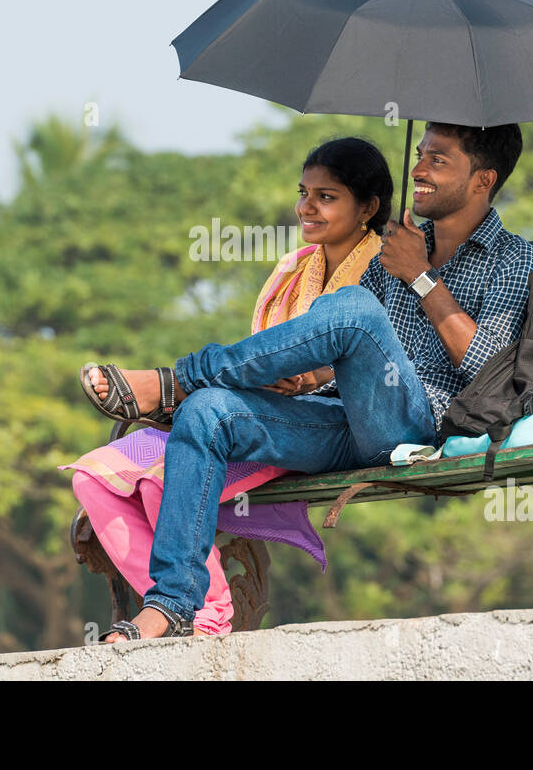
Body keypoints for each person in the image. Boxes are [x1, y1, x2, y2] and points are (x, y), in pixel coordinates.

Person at [82, 121, 533, 642]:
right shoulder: (401, 247)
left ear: (483, 180)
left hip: (424, 429)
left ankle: (179, 380)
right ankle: (173, 603)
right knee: (208, 411)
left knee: (348, 307)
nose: (418, 169)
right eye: (420, 155)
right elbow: (358, 351)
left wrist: (421, 278)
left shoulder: (513, 258)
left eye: (438, 161)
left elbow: (490, 371)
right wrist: (306, 378)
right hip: (345, 416)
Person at [64, 136, 394, 638]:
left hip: (336, 420)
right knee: (94, 477)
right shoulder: (295, 270)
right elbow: (271, 346)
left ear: (368, 206)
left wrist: (318, 375)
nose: (307, 206)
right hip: (264, 406)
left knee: (159, 477)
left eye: (326, 197)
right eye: (304, 192)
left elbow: (383, 367)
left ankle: (201, 615)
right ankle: (185, 608)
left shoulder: (390, 268)